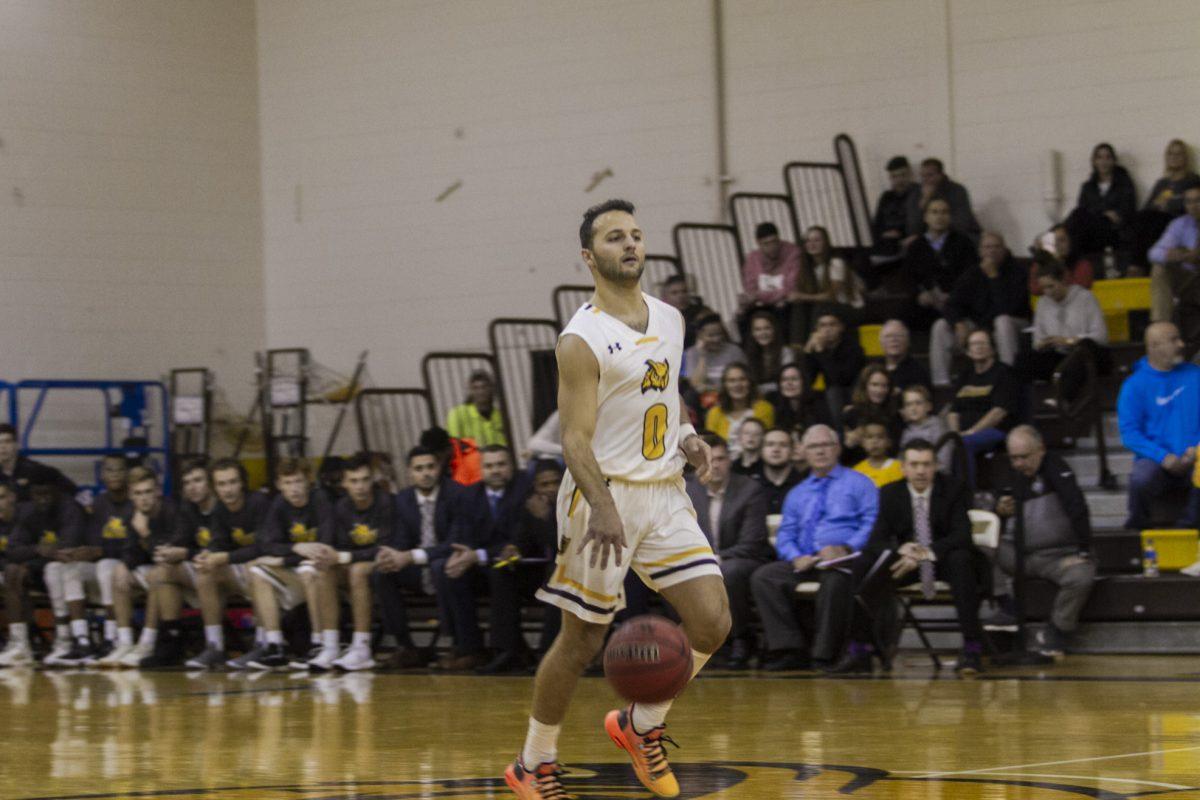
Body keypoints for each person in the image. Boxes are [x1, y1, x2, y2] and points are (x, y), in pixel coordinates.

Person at [506, 199, 728, 800]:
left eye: (634, 235)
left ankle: (640, 725)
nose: (629, 244)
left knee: (712, 622)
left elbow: (667, 391)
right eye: (613, 238)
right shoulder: (581, 339)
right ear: (589, 256)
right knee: (581, 640)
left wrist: (686, 435)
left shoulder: (671, 318)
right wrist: (602, 506)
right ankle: (533, 762)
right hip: (602, 498)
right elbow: (575, 439)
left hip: (665, 492)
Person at [833, 439, 984, 675]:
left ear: (935, 466)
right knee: (865, 563)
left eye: (926, 464)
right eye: (914, 464)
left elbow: (962, 536)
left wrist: (924, 553)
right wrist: (901, 550)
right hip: (906, 562)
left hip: (943, 558)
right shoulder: (890, 492)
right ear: (903, 468)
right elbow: (876, 540)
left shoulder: (954, 489)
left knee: (961, 559)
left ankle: (972, 649)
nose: (921, 471)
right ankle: (859, 649)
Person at [749, 425, 877, 671]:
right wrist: (796, 557)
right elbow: (786, 533)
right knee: (763, 577)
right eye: (813, 447)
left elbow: (871, 523)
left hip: (844, 559)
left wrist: (845, 547)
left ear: (837, 448)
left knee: (835, 578)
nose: (820, 451)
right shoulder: (797, 493)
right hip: (806, 559)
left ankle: (824, 654)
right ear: (804, 452)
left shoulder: (860, 483)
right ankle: (789, 648)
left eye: (825, 445)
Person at [994, 426, 1096, 658]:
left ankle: (1058, 629)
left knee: (1082, 576)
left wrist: (1082, 551)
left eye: (1024, 457)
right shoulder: (1008, 474)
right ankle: (1005, 605)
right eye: (1014, 458)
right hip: (1020, 556)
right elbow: (993, 520)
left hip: (1057, 556)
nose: (1019, 463)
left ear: (1040, 450)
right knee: (981, 544)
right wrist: (998, 511)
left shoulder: (1057, 467)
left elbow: (1077, 506)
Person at [685, 435, 773, 670]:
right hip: (702, 562)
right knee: (673, 575)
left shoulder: (749, 489)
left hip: (744, 560)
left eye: (720, 458)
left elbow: (752, 543)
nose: (714, 464)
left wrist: (713, 560)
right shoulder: (687, 489)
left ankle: (741, 639)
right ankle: (697, 642)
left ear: (730, 461)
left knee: (729, 573)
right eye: (707, 459)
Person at [387, 447, 477, 671]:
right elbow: (400, 540)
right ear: (409, 472)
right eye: (419, 468)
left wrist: (412, 556)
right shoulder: (402, 499)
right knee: (383, 572)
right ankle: (405, 647)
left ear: (439, 468)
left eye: (430, 467)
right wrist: (392, 555)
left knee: (443, 567)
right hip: (417, 568)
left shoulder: (457, 494)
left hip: (450, 564)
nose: (426, 473)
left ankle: (462, 647)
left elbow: (455, 542)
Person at [249, 457, 340, 671]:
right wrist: (295, 548)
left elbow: (324, 547)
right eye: (288, 483)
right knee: (257, 571)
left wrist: (284, 558)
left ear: (309, 480)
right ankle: (274, 644)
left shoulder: (321, 499)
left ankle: (318, 643)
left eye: (298, 481)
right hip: (297, 572)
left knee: (309, 569)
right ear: (280, 485)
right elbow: (266, 544)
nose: (294, 489)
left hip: (327, 573)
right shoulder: (279, 504)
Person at [454, 445, 537, 674]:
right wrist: (462, 555)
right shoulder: (470, 495)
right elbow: (466, 536)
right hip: (484, 565)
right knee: (451, 572)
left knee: (500, 573)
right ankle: (469, 648)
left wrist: (478, 554)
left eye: (501, 464)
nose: (496, 470)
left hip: (524, 566)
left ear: (512, 466)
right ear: (481, 469)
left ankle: (505, 650)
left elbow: (520, 538)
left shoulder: (524, 491)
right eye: (489, 466)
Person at [184, 458, 270, 670]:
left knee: (255, 566)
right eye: (221, 484)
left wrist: (223, 558)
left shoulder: (259, 502)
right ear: (215, 488)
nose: (228, 489)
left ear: (242, 483)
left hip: (269, 570)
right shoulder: (220, 509)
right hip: (240, 568)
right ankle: (215, 645)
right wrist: (207, 555)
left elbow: (264, 547)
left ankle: (262, 643)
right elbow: (218, 542)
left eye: (232, 482)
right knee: (205, 572)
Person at [1117, 322, 1200, 529]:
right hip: (1157, 460)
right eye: (1173, 340)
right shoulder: (1134, 385)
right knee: (1140, 477)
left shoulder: (1195, 375)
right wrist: (1163, 457)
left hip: (1195, 456)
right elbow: (1130, 434)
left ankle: (1187, 527)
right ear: (1154, 346)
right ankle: (1136, 530)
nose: (1181, 344)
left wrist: (1196, 448)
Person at [3, 470, 88, 666]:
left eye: (46, 494)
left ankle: (65, 640)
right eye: (37, 495)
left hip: (71, 572)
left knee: (56, 569)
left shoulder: (70, 509)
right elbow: (12, 550)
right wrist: (39, 550)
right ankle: (20, 645)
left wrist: (37, 555)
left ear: (57, 492)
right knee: (12, 571)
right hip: (40, 568)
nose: (42, 500)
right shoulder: (28, 512)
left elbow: (67, 550)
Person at [930, 232, 1029, 386]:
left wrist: (993, 277)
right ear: (980, 251)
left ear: (1004, 249)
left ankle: (1008, 380)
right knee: (940, 326)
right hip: (979, 327)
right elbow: (951, 304)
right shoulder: (972, 273)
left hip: (1013, 325)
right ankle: (940, 383)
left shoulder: (1018, 271)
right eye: (987, 247)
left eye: (996, 247)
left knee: (1002, 321)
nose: (992, 251)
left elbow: (1008, 308)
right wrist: (958, 323)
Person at [1020, 259, 1110, 403]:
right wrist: (1046, 342)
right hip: (1058, 353)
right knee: (1023, 358)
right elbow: (1037, 341)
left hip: (1085, 353)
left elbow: (1100, 336)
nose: (1048, 292)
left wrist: (1068, 340)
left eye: (1051, 286)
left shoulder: (1085, 298)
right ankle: (1024, 406)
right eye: (1044, 288)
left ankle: (1063, 398)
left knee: (1083, 349)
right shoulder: (1043, 303)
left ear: (1063, 280)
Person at [948, 330, 1021, 487]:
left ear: (992, 348)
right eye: (974, 344)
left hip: (996, 431)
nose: (978, 347)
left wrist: (972, 432)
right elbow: (954, 411)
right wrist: (955, 434)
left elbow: (999, 412)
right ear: (968, 351)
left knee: (964, 444)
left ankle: (966, 497)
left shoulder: (1004, 373)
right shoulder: (964, 376)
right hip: (964, 435)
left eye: (982, 343)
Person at [901, 198, 979, 330]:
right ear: (926, 217)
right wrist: (919, 295)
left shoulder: (963, 243)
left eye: (944, 212)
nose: (939, 216)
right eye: (935, 212)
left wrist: (953, 295)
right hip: (928, 302)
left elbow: (971, 275)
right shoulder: (916, 246)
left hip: (957, 301)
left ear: (950, 217)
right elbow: (908, 277)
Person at [88, 453, 134, 659]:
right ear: (102, 475)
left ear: (128, 474)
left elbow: (135, 544)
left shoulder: (135, 500)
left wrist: (105, 550)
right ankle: (91, 639)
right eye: (109, 470)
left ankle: (112, 635)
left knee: (107, 566)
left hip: (133, 562)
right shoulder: (99, 503)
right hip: (108, 561)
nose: (114, 474)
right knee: (104, 566)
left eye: (119, 469)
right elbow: (95, 542)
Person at [1133, 139, 1200, 271]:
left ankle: (1139, 266)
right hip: (1159, 220)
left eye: (1178, 154)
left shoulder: (1192, 180)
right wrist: (1158, 207)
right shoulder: (1162, 183)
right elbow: (1148, 206)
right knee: (1142, 218)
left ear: (1185, 157)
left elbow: (1191, 203)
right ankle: (1137, 266)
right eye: (1171, 154)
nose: (1174, 157)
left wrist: (1168, 205)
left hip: (1180, 220)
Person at [789, 225, 864, 336]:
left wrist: (802, 296)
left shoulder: (836, 263)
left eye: (817, 240)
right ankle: (797, 346)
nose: (812, 244)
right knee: (798, 307)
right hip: (829, 307)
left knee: (820, 308)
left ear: (825, 242)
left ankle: (814, 343)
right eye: (808, 241)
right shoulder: (808, 268)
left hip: (850, 308)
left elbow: (831, 296)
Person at [1066, 142, 1137, 257]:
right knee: (1076, 217)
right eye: (1099, 157)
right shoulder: (1087, 187)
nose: (1104, 161)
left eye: (1108, 157)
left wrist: (1103, 215)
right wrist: (1103, 213)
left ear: (1114, 161)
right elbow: (1082, 210)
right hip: (1091, 229)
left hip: (1113, 231)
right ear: (1094, 161)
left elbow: (1128, 210)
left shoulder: (1124, 183)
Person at [1148, 185, 1200, 333]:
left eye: (1198, 201)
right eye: (1189, 202)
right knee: (1159, 268)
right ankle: (1161, 327)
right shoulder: (1180, 224)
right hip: (1190, 280)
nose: (1193, 206)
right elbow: (1153, 252)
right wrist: (1172, 255)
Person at [737, 221, 801, 339]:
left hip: (785, 302)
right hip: (762, 303)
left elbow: (790, 287)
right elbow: (750, 287)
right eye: (766, 244)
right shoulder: (752, 258)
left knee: (782, 310)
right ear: (759, 244)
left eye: (774, 242)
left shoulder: (792, 252)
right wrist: (750, 298)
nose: (772, 247)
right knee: (742, 316)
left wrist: (759, 296)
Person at [802, 311, 866, 428]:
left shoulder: (854, 348)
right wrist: (808, 352)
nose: (827, 329)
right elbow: (808, 380)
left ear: (841, 327)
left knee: (833, 392)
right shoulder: (818, 347)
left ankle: (839, 433)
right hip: (830, 394)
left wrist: (821, 352)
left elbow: (840, 379)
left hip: (854, 392)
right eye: (823, 325)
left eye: (832, 325)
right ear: (817, 329)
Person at [905, 157, 982, 243]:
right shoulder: (915, 194)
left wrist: (937, 230)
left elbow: (962, 223)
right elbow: (913, 228)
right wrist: (923, 202)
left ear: (940, 175)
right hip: (929, 237)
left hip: (957, 235)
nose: (925, 180)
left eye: (930, 175)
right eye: (922, 176)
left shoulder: (957, 190)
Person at [703, 363, 775, 454]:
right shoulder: (714, 413)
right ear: (725, 385)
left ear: (750, 382)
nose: (737, 384)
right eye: (732, 381)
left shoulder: (764, 408)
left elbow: (766, 442)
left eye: (742, 379)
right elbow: (711, 446)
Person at [0, 424, 76, 502]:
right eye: (0, 442)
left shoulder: (35, 470)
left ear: (16, 445)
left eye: (7, 442)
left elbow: (72, 490)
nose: (3, 447)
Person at [840, 364, 900, 463]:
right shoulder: (851, 414)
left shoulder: (895, 416)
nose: (879, 390)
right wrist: (849, 444)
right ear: (865, 386)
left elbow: (896, 450)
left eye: (884, 385)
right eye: (874, 385)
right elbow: (842, 457)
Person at [0, 484, 31, 666]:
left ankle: (20, 644)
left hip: (28, 571)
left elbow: (24, 552)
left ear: (12, 498)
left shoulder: (25, 519)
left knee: (12, 574)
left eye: (2, 497)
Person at [682, 314, 745, 397]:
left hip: (732, 395)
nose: (716, 339)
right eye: (711, 335)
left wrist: (711, 388)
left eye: (719, 334)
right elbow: (696, 384)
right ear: (700, 335)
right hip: (707, 399)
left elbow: (744, 380)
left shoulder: (734, 350)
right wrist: (702, 355)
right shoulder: (691, 353)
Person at [446, 370, 508, 447]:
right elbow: (455, 445)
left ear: (491, 389)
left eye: (484, 387)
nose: (480, 392)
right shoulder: (457, 414)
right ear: (470, 391)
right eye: (475, 388)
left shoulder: (499, 415)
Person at [898, 385, 952, 473]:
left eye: (918, 403)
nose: (913, 408)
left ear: (928, 406)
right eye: (908, 404)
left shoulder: (938, 428)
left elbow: (944, 463)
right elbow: (901, 460)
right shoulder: (905, 431)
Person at [872, 155, 919, 254]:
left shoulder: (918, 193)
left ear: (910, 174)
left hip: (908, 242)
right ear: (890, 178)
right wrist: (884, 234)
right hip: (885, 241)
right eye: (894, 176)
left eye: (903, 175)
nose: (899, 180)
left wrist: (900, 234)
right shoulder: (886, 196)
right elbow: (877, 223)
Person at [766, 363, 830, 435]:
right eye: (784, 380)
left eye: (794, 379)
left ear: (804, 382)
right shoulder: (776, 405)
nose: (789, 383)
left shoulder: (819, 404)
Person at [1029, 224, 1095, 295]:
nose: (1057, 244)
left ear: (1071, 242)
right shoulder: (1042, 263)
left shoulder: (1083, 265)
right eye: (1054, 241)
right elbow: (1034, 288)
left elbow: (1077, 289)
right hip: (1049, 304)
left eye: (1062, 240)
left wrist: (1058, 263)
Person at [753, 427, 806, 515]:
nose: (776, 450)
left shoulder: (804, 485)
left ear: (792, 451)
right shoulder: (750, 486)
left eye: (783, 445)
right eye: (770, 444)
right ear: (761, 451)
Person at [742, 309, 795, 393]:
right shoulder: (748, 354)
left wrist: (759, 389)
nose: (763, 333)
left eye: (767, 328)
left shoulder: (785, 352)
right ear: (752, 333)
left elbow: (788, 382)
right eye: (758, 329)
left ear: (774, 330)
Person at [659, 273, 713, 349]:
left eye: (684, 291)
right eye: (674, 293)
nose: (681, 295)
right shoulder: (660, 317)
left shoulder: (702, 311)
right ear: (665, 296)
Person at [877, 319, 932, 394]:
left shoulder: (918, 372)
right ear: (881, 343)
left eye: (899, 336)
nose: (893, 340)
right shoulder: (873, 368)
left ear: (908, 341)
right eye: (888, 336)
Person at [853, 421, 904, 488]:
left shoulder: (900, 468)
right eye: (869, 437)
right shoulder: (856, 471)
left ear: (889, 442)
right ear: (862, 442)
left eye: (880, 437)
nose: (875, 441)